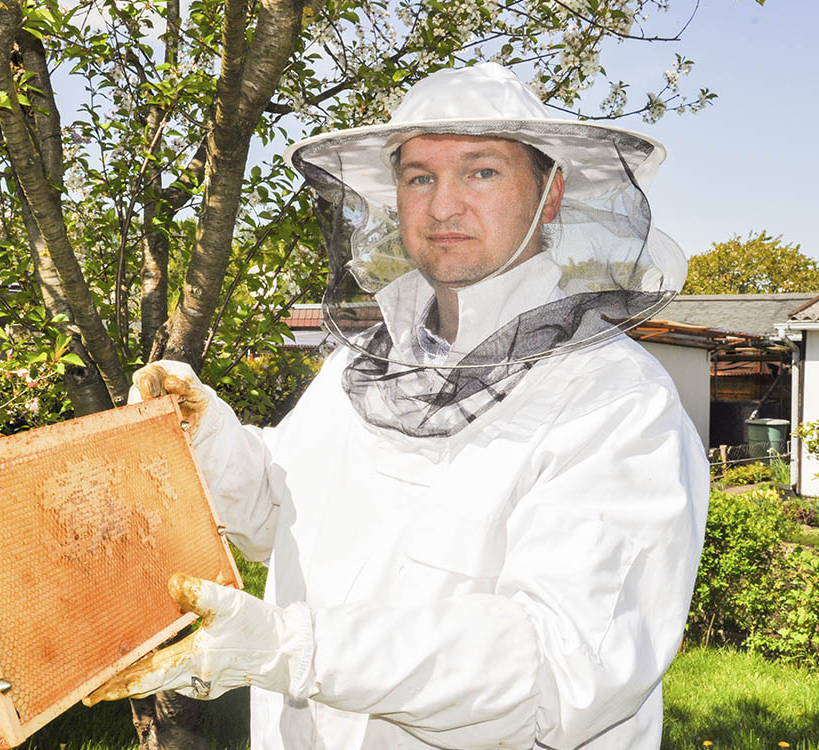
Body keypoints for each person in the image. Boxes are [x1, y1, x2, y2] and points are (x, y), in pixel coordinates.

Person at [86, 62, 709, 750]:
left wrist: (301, 651)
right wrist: (202, 434)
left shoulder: (615, 402)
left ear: (550, 194)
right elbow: (279, 511)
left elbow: (563, 666)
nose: (444, 206)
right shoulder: (363, 365)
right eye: (419, 177)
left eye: (481, 172)